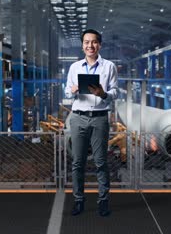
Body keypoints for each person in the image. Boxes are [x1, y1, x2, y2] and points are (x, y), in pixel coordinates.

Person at [64, 29, 119, 217]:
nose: (90, 45)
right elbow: (66, 92)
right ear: (82, 46)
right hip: (78, 117)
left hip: (100, 118)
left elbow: (115, 92)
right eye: (86, 42)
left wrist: (103, 94)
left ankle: (103, 201)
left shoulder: (109, 66)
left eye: (94, 42)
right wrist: (73, 90)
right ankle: (79, 200)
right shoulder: (74, 67)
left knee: (100, 162)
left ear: (99, 45)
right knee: (78, 162)